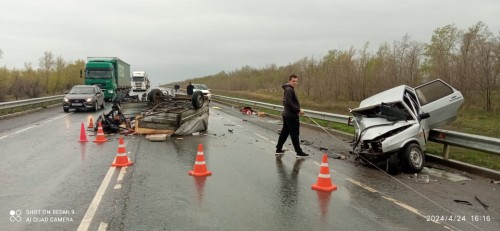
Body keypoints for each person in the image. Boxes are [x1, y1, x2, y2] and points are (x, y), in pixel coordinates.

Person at [275, 74, 309, 157]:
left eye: (296, 81)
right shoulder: (289, 90)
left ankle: (278, 149)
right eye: (293, 81)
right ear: (289, 81)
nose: (295, 83)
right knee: (294, 134)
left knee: (284, 133)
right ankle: (299, 152)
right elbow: (289, 103)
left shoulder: (287, 89)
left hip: (287, 115)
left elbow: (286, 102)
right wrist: (298, 110)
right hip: (291, 116)